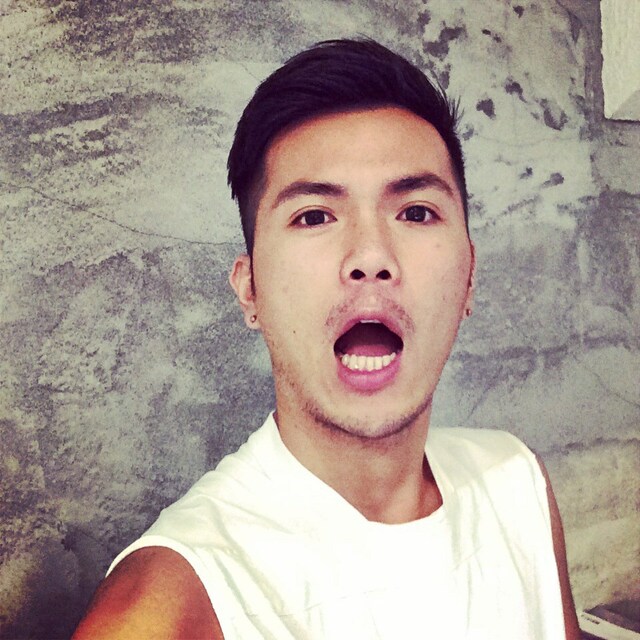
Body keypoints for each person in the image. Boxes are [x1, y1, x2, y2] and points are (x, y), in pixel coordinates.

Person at [73, 39, 580, 639]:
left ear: (469, 276)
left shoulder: (515, 481)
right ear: (250, 290)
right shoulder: (172, 603)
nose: (371, 256)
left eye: (416, 212)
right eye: (314, 216)